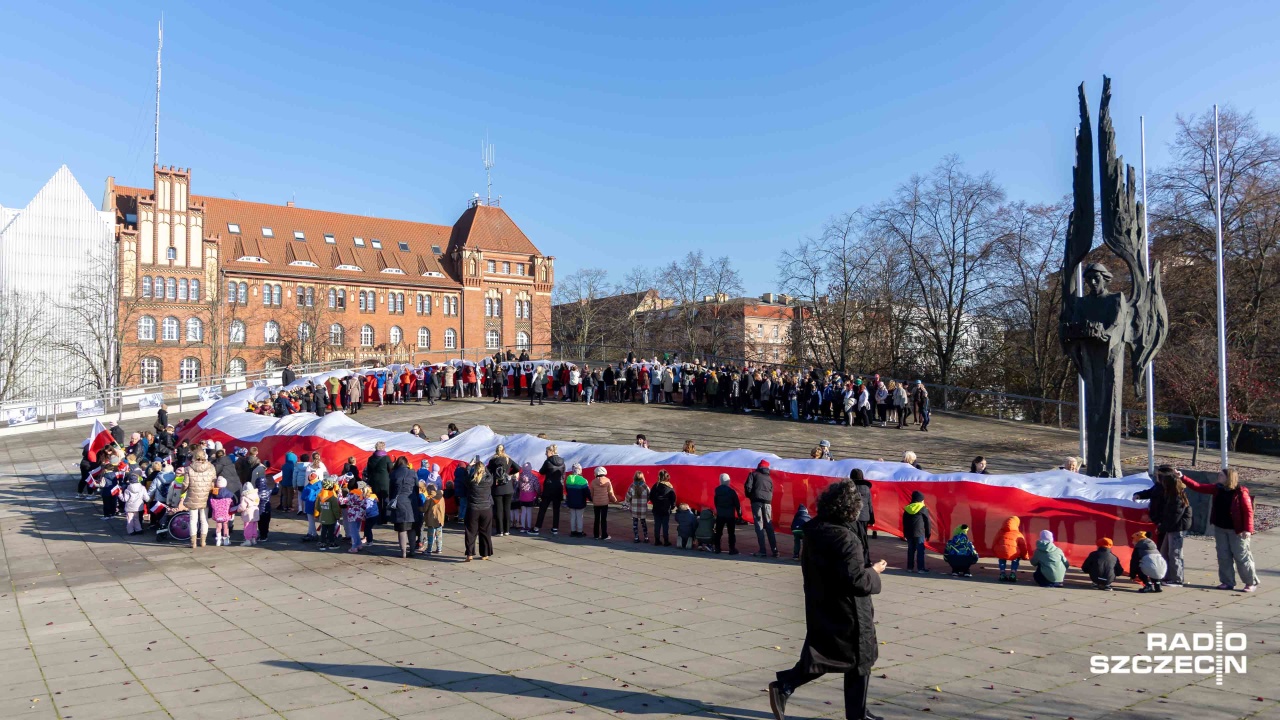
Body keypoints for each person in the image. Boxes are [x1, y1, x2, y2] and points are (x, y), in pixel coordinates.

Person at [768, 480, 887, 720]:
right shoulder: (845, 537)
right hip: (849, 609)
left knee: (827, 656)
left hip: (824, 604)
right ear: (850, 509)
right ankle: (854, 712)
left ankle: (856, 711)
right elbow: (858, 581)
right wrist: (874, 572)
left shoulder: (817, 529)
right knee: (856, 659)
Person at [1180, 468, 1258, 592]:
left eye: (1221, 475)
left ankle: (1250, 582)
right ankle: (1227, 582)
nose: (1218, 477)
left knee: (1241, 556)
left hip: (1237, 531)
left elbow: (1248, 512)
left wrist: (1248, 529)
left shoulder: (1241, 492)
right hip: (1220, 528)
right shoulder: (1217, 488)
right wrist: (1182, 477)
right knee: (1223, 556)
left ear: (1229, 477)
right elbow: (1198, 487)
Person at [1133, 465, 1192, 586]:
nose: (1156, 477)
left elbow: (1173, 516)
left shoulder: (1176, 497)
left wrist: (1161, 527)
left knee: (1174, 554)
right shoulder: (1165, 489)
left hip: (1174, 528)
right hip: (1167, 526)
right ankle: (1165, 575)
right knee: (1165, 552)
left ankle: (1177, 579)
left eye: (1159, 476)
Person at [744, 460, 777, 558]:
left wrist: (751, 496)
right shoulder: (769, 478)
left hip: (756, 501)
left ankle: (762, 550)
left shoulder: (753, 474)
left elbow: (747, 487)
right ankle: (775, 550)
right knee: (769, 524)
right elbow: (771, 490)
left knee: (759, 525)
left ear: (759, 466)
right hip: (767, 503)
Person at [182, 454, 215, 548]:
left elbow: (185, 484)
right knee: (204, 519)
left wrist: (182, 492)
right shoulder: (211, 467)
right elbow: (213, 482)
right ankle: (203, 541)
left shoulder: (189, 469)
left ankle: (193, 543)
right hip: (206, 495)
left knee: (193, 520)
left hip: (192, 496)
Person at [464, 459, 494, 561]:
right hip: (486, 508)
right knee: (485, 532)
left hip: (473, 508)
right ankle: (485, 554)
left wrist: (469, 466)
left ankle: (469, 554)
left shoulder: (471, 481)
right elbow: (490, 475)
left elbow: (467, 477)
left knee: (471, 532)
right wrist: (485, 467)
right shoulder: (488, 480)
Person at [534, 445, 566, 534]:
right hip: (558, 487)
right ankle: (555, 528)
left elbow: (541, 472)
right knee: (556, 509)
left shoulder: (548, 461)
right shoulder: (562, 462)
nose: (545, 453)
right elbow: (563, 474)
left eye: (546, 452)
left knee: (543, 508)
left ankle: (537, 527)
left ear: (551, 452)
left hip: (549, 487)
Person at [389, 457, 417, 558]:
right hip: (411, 502)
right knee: (412, 528)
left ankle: (403, 552)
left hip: (399, 502)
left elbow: (391, 490)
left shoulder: (394, 473)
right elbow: (417, 488)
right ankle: (413, 550)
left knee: (402, 529)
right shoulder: (413, 472)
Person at [487, 446, 518, 536]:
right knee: (507, 509)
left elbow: (487, 471)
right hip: (508, 487)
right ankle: (507, 530)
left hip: (497, 487)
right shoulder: (508, 459)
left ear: (496, 451)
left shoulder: (493, 461)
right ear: (504, 450)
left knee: (499, 509)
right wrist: (508, 474)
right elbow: (518, 468)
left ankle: (499, 531)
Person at [901, 490, 932, 573]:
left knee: (911, 550)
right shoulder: (923, 508)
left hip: (909, 533)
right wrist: (928, 534)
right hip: (919, 533)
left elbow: (904, 522)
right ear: (920, 500)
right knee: (920, 550)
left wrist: (904, 533)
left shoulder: (907, 508)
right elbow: (927, 522)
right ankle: (920, 568)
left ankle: (910, 567)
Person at [713, 473, 741, 555]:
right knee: (731, 533)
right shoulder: (732, 492)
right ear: (728, 481)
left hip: (720, 514)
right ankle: (732, 549)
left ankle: (717, 548)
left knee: (718, 532)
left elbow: (716, 502)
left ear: (720, 481)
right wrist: (739, 514)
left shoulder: (717, 490)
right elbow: (737, 504)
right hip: (730, 515)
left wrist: (718, 509)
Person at [850, 469, 874, 566]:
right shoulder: (866, 488)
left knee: (853, 538)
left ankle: (854, 558)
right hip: (864, 517)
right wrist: (872, 518)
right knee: (864, 538)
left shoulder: (850, 487)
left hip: (853, 517)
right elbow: (870, 505)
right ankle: (866, 560)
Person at [993, 516, 1028, 582]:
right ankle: (1013, 573)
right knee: (1015, 559)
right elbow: (1023, 546)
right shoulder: (1018, 534)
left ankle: (1002, 573)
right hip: (1013, 552)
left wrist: (994, 550)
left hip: (1001, 551)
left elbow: (995, 541)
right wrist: (1025, 556)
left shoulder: (1000, 532)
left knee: (1002, 559)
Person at [365, 443, 392, 524]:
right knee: (386, 499)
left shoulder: (371, 458)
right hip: (385, 482)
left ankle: (379, 518)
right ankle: (386, 518)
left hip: (374, 482)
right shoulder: (386, 458)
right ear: (383, 448)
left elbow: (368, 471)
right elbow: (391, 469)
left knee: (377, 500)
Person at [590, 466, 619, 540]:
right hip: (604, 503)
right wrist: (615, 500)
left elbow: (591, 493)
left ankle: (596, 535)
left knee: (596, 519)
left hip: (596, 503)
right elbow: (610, 492)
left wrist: (592, 500)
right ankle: (604, 535)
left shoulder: (593, 482)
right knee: (603, 519)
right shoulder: (607, 481)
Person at [649, 470, 676, 547]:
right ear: (667, 477)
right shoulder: (669, 487)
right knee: (665, 525)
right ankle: (666, 541)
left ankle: (657, 540)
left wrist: (655, 502)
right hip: (666, 509)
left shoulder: (656, 485)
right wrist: (672, 506)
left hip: (657, 508)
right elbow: (673, 498)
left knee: (657, 524)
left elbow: (651, 496)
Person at [564, 462, 591, 537]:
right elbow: (587, 492)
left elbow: (567, 490)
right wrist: (591, 499)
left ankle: (573, 531)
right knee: (579, 517)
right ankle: (579, 531)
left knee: (572, 516)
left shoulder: (569, 478)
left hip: (571, 501)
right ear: (580, 470)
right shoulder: (583, 480)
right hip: (580, 501)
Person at [623, 472, 650, 543]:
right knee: (643, 523)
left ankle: (636, 537)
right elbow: (649, 496)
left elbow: (628, 497)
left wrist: (627, 504)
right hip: (643, 508)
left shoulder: (632, 486)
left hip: (634, 508)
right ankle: (646, 537)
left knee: (635, 523)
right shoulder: (645, 486)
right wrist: (645, 501)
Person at [317, 480, 343, 551]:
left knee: (323, 531)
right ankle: (332, 543)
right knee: (331, 531)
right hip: (331, 518)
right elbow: (335, 509)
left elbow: (317, 507)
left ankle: (322, 544)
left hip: (323, 517)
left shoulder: (320, 495)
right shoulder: (332, 497)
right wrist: (337, 516)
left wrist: (320, 512)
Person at [209, 479, 235, 547]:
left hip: (217, 514)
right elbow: (233, 502)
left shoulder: (214, 493)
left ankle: (218, 540)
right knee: (226, 526)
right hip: (226, 514)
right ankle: (226, 540)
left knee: (218, 526)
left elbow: (210, 502)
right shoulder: (229, 493)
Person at [515, 462, 540, 533]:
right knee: (529, 512)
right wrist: (539, 493)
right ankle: (528, 527)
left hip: (522, 496)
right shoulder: (533, 477)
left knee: (523, 512)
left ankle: (523, 527)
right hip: (530, 496)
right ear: (530, 468)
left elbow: (519, 486)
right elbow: (537, 487)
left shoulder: (520, 476)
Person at [343, 481, 367, 553]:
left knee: (353, 531)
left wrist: (340, 494)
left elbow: (342, 501)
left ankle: (354, 547)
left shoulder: (350, 494)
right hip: (360, 513)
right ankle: (359, 544)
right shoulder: (360, 493)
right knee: (356, 530)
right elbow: (365, 504)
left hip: (352, 514)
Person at [424, 485, 445, 555]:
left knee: (430, 535)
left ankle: (429, 549)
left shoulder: (429, 498)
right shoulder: (441, 497)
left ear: (429, 490)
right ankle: (439, 548)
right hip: (439, 518)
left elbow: (424, 509)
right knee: (439, 535)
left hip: (431, 519)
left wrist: (419, 508)